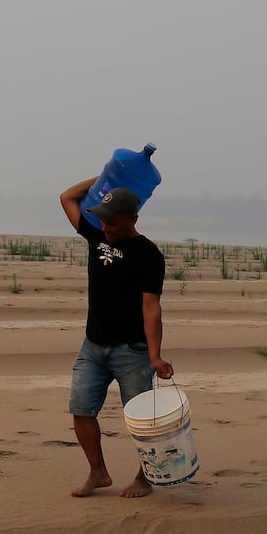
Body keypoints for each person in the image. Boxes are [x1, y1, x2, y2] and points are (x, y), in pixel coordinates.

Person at [58, 181, 174, 498]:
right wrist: (106, 178)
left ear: (132, 219)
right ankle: (98, 472)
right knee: (81, 410)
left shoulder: (149, 255)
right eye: (103, 219)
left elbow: (151, 308)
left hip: (132, 351)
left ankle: (144, 477)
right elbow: (67, 197)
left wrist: (155, 356)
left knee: (142, 421)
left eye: (112, 221)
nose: (105, 225)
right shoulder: (96, 235)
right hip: (93, 345)